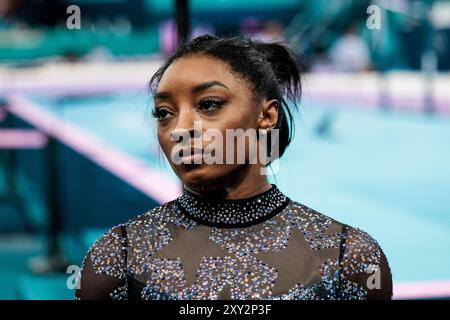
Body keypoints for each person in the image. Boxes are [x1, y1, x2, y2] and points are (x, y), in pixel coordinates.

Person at [75, 35, 392, 300]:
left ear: (266, 115)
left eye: (209, 104)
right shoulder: (117, 259)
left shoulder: (349, 258)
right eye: (163, 112)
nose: (180, 129)